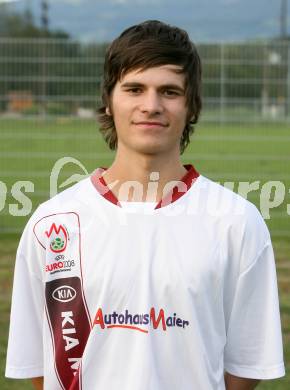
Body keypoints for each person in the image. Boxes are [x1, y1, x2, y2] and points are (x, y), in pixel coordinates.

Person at [6, 20, 285, 390]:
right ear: (109, 99)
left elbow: (247, 364)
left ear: (192, 105)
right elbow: (40, 365)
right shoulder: (52, 224)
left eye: (169, 92)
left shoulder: (236, 222)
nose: (150, 106)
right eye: (134, 88)